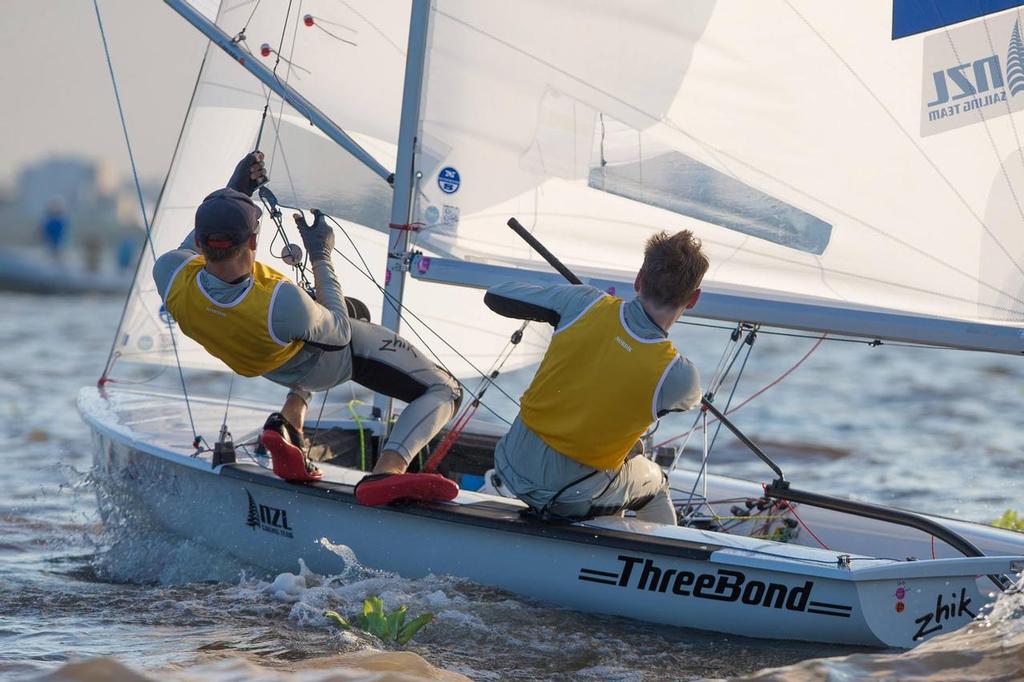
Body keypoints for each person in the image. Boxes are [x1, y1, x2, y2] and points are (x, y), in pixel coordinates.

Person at [152, 152, 462, 504]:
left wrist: (235, 191)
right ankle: (388, 470)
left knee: (343, 314)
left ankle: (289, 424)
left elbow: (189, 248)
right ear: (253, 242)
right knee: (445, 390)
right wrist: (320, 254)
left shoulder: (169, 273)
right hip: (328, 363)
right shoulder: (279, 301)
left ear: (203, 242)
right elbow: (341, 330)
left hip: (271, 366)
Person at [484, 231, 709, 525]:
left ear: (639, 279)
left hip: (510, 463)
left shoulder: (584, 302)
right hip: (567, 496)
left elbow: (496, 295)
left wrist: (568, 307)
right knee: (655, 483)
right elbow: (682, 401)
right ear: (693, 299)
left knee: (629, 451)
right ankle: (656, 563)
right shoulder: (679, 375)